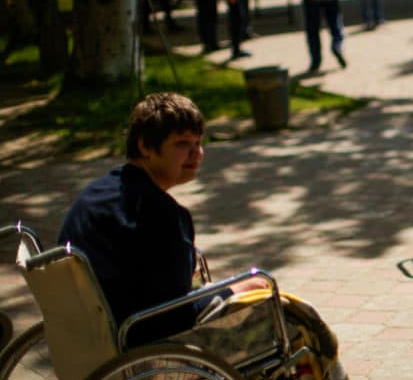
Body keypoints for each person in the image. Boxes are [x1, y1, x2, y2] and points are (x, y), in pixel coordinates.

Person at [58, 93, 270, 347]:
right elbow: (177, 314)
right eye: (182, 144)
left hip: (91, 336)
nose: (196, 154)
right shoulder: (161, 212)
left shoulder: (96, 194)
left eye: (198, 143)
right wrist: (233, 291)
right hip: (144, 337)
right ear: (145, 146)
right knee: (262, 287)